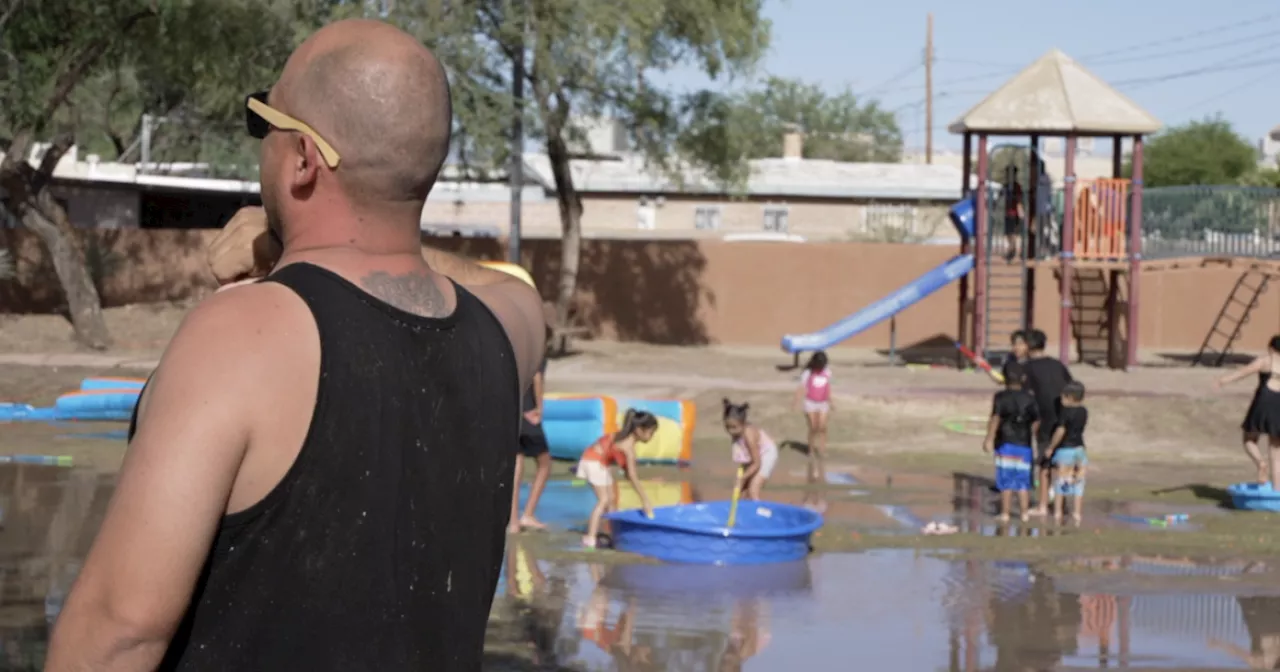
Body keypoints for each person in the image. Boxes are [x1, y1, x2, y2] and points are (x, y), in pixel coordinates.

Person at [45, 19, 546, 671]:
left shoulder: (244, 334)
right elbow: (521, 294)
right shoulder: (505, 333)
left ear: (305, 159)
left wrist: (284, 251)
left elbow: (116, 636)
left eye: (269, 131)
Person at [578, 409, 657, 548]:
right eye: (650, 432)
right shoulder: (628, 447)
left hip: (594, 460)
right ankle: (590, 538)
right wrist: (645, 500)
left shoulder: (622, 438)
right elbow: (632, 476)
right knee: (604, 500)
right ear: (639, 430)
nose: (652, 436)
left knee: (612, 498)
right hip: (594, 462)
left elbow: (627, 472)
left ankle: (614, 533)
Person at [1213, 335, 1280, 485]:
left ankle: (1260, 463)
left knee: (1249, 438)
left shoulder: (1265, 361)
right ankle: (1277, 494)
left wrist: (1223, 380)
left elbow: (1243, 372)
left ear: (1270, 348)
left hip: (1264, 400)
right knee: (1276, 453)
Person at [1023, 328, 1074, 516]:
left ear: (1028, 346)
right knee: (1063, 463)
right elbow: (1071, 386)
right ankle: (1062, 506)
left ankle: (1043, 506)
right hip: (1064, 419)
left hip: (1044, 420)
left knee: (1044, 465)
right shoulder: (1057, 364)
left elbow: (1026, 395)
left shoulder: (1027, 367)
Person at [983, 360, 1040, 522]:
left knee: (1006, 482)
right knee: (1023, 482)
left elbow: (995, 418)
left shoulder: (1000, 397)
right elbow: (1036, 421)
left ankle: (1006, 513)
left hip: (1005, 444)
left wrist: (989, 438)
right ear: (1023, 378)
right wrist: (1036, 437)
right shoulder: (1030, 398)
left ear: (1004, 378)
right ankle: (1024, 514)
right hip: (1024, 445)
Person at [510, 328, 553, 534]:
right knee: (545, 464)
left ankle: (512, 522)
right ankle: (528, 514)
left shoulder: (515, 352)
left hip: (513, 413)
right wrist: (539, 409)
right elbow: (537, 378)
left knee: (517, 464)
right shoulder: (537, 354)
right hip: (529, 415)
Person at [1047, 381, 1088, 524]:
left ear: (1070, 397)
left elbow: (1061, 430)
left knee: (1061, 482)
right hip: (1080, 450)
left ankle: (1058, 512)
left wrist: (1051, 446)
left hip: (1065, 450)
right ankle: (1077, 513)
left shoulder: (1065, 412)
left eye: (1063, 397)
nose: (1061, 400)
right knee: (1078, 483)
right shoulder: (1083, 411)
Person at [723, 398, 780, 501]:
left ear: (743, 423)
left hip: (766, 454)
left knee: (753, 489)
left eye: (734, 427)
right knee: (740, 489)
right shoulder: (737, 432)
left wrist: (743, 477)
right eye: (728, 427)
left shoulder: (749, 436)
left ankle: (757, 512)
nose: (731, 431)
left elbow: (756, 463)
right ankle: (742, 511)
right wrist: (742, 479)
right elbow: (744, 456)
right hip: (754, 456)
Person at [793, 350, 832, 482]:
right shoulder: (808, 373)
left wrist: (831, 401)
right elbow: (801, 388)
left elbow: (828, 386)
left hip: (823, 402)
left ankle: (822, 450)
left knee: (822, 426)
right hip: (810, 402)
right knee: (813, 427)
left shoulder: (827, 371)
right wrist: (796, 401)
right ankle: (810, 450)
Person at [1002, 165, 1025, 263]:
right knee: (1008, 233)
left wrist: (1020, 211)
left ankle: (1012, 251)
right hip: (1007, 213)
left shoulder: (1017, 186)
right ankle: (1012, 250)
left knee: (1013, 233)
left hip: (1014, 213)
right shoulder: (1006, 186)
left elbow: (1019, 199)